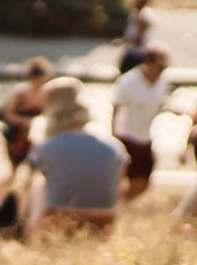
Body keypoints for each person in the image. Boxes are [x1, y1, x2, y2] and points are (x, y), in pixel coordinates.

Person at [21, 78, 127, 236]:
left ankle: (27, 230)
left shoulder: (44, 147)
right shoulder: (114, 147)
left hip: (56, 221)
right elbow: (120, 188)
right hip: (104, 223)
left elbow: (25, 183)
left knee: (38, 182)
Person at [110, 46, 173, 198]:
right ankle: (122, 207)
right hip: (126, 136)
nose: (162, 71)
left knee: (145, 179)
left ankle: (126, 204)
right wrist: (113, 137)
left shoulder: (162, 82)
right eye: (160, 67)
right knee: (127, 178)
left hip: (146, 136)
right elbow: (116, 109)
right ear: (148, 63)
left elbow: (159, 103)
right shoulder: (127, 82)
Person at [0, 57, 54, 171]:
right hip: (18, 135)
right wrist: (26, 122)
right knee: (15, 163)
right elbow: (8, 114)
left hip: (38, 135)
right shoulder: (20, 92)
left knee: (36, 164)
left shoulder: (49, 93)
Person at [119, 0, 157, 73]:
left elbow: (139, 36)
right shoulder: (137, 13)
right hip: (133, 50)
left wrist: (123, 42)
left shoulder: (144, 15)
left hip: (138, 52)